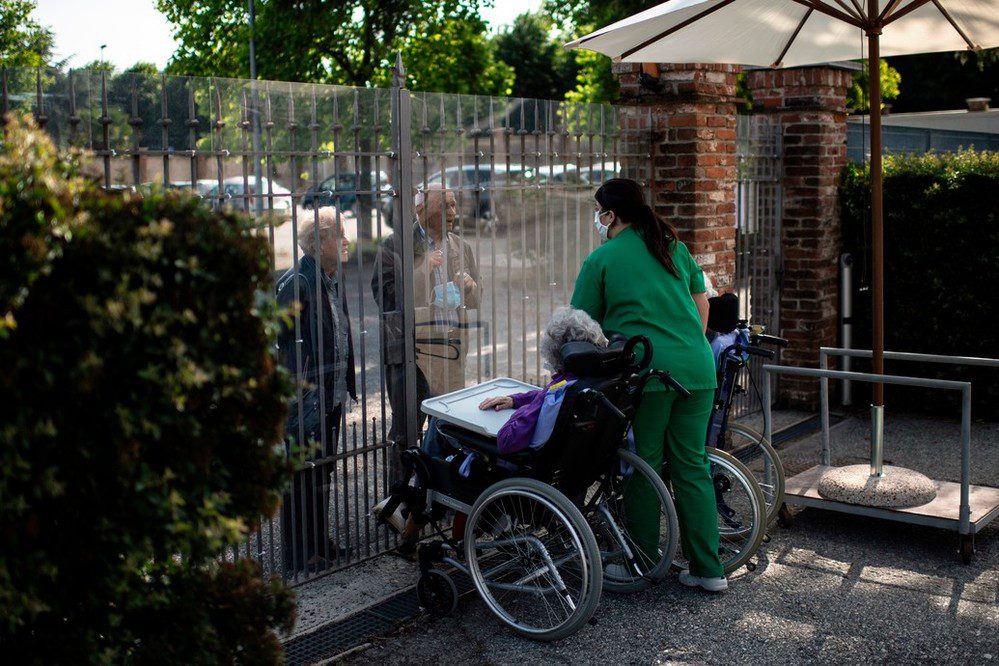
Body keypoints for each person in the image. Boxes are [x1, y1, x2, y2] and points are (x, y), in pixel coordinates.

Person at [570, 178, 727, 592]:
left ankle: (642, 561)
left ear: (611, 214)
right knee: (693, 465)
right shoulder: (672, 245)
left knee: (645, 466)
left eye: (599, 210)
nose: (598, 218)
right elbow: (702, 303)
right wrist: (689, 344)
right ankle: (709, 570)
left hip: (650, 374)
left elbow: (580, 326)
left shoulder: (602, 258)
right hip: (697, 368)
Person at [371, 185, 481, 459]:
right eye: (444, 206)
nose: (452, 213)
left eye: (454, 205)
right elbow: (385, 297)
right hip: (414, 355)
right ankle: (398, 494)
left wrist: (470, 286)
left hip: (451, 352)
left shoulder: (459, 246)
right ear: (420, 210)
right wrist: (422, 269)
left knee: (447, 427)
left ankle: (433, 493)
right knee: (406, 430)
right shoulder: (395, 246)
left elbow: (478, 299)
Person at [276, 206, 357, 574]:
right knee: (301, 474)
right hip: (305, 399)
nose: (346, 241)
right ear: (317, 242)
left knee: (322, 470)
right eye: (338, 235)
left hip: (330, 396)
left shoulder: (328, 277)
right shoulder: (298, 282)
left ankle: (319, 541)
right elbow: (284, 345)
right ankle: (297, 553)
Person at [478, 306, 607, 454]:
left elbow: (507, 440)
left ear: (554, 352)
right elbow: (546, 395)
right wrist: (515, 400)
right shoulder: (589, 379)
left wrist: (523, 410)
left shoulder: (559, 392)